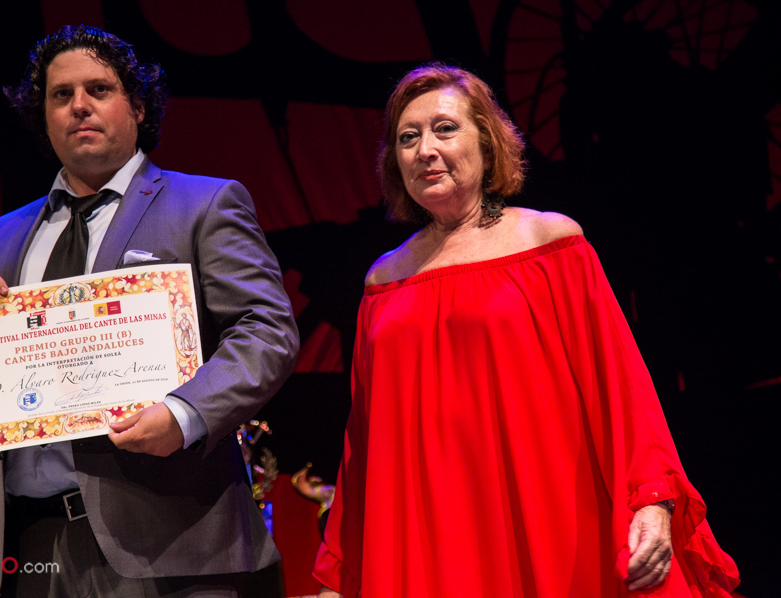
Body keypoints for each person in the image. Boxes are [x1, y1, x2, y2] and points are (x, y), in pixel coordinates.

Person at [313, 64, 739, 597]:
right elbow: (363, 443)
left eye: (444, 129)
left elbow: (618, 386)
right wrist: (342, 571)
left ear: (486, 143)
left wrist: (652, 501)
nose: (425, 149)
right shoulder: (384, 280)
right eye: (408, 137)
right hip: (432, 531)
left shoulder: (549, 243)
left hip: (546, 512)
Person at [0, 25, 298, 597]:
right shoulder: (0, 235)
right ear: (44, 116)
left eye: (99, 89)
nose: (79, 106)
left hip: (173, 540)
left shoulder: (203, 204)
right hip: (35, 548)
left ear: (137, 106)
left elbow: (266, 331)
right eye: (60, 95)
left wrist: (184, 414)